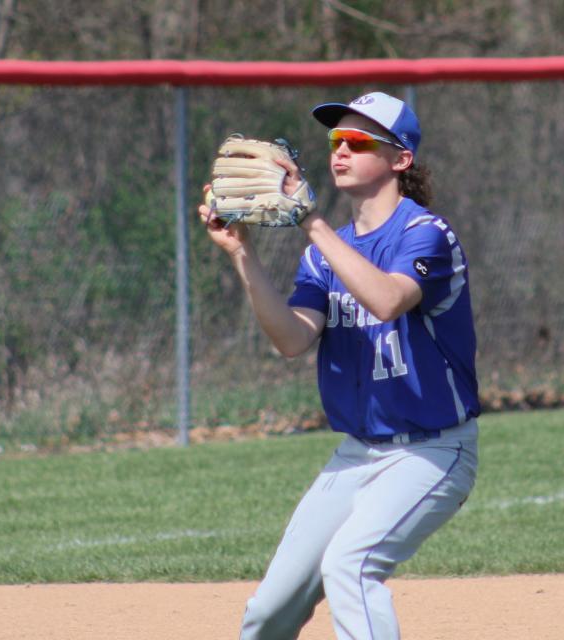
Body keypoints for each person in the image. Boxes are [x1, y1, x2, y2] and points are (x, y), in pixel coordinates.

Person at [198, 91, 480, 640]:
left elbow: (387, 299)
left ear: (400, 159)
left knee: (351, 565)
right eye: (335, 141)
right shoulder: (326, 251)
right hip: (355, 455)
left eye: (358, 141)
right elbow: (293, 338)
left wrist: (311, 221)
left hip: (432, 450)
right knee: (269, 612)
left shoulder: (425, 234)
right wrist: (241, 254)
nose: (340, 152)